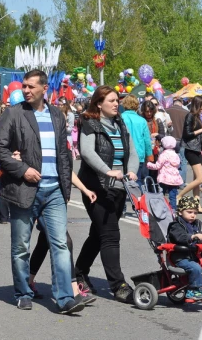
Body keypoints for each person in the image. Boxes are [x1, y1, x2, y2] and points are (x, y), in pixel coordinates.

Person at [0, 69, 83, 314]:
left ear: (45, 89)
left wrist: (65, 188)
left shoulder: (56, 114)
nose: (26, 90)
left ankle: (64, 298)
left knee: (60, 244)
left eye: (31, 86)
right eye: (24, 86)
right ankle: (23, 292)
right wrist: (22, 169)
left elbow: (64, 155)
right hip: (24, 189)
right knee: (21, 246)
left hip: (54, 191)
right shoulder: (13, 113)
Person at [73, 86, 139, 303]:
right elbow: (87, 152)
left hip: (119, 189)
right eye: (111, 100)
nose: (115, 103)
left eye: (117, 100)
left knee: (98, 234)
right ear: (99, 103)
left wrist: (132, 170)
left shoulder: (120, 123)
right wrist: (107, 170)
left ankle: (79, 272)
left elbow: (132, 152)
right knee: (110, 234)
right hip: (96, 187)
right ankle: (118, 285)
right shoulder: (89, 124)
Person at [28, 171, 98, 304]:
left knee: (44, 242)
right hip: (40, 198)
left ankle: (28, 282)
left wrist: (85, 190)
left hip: (56, 199)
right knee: (66, 242)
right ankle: (72, 289)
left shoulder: (59, 150)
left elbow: (66, 169)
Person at [168, 196, 202, 301]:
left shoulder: (195, 225)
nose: (193, 215)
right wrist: (192, 237)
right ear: (180, 212)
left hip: (193, 256)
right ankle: (193, 290)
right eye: (189, 212)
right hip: (180, 258)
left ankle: (201, 287)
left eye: (195, 212)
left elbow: (200, 236)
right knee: (196, 268)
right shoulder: (175, 226)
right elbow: (180, 237)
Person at [178, 96, 202, 206]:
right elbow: (186, 134)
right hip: (190, 150)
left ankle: (197, 204)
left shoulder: (197, 116)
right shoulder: (190, 116)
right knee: (200, 179)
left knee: (196, 181)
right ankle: (179, 196)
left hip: (197, 150)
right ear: (197, 104)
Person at [121, 95, 153, 184]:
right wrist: (149, 155)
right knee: (137, 180)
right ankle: (137, 198)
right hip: (138, 154)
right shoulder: (142, 120)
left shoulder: (119, 118)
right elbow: (147, 140)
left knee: (122, 181)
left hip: (123, 153)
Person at [147, 136, 182, 211]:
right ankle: (173, 210)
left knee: (161, 194)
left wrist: (149, 164)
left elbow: (157, 166)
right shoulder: (176, 155)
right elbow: (178, 165)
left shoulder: (163, 155)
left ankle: (160, 208)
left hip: (164, 178)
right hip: (174, 179)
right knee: (173, 196)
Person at [167, 98, 189, 182]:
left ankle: (170, 181)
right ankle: (181, 181)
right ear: (182, 103)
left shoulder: (167, 111)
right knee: (183, 161)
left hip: (169, 139)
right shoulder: (186, 112)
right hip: (182, 139)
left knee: (169, 161)